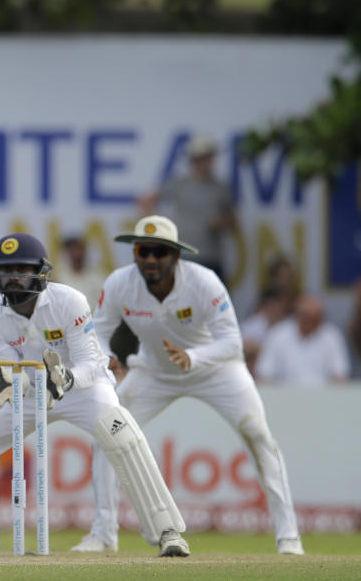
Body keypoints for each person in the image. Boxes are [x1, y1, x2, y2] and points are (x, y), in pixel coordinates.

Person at [0, 233, 189, 557]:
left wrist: (66, 378)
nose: (12, 278)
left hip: (83, 388)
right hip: (27, 393)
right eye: (5, 271)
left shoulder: (69, 301)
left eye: (21, 270)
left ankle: (167, 531)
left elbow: (90, 362)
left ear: (41, 272)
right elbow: (12, 372)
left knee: (123, 434)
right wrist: (2, 385)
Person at [84, 215, 303, 555]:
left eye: (160, 252)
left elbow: (232, 342)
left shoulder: (204, 282)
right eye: (144, 250)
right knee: (108, 434)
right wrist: (108, 357)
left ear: (175, 256)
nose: (151, 259)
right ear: (135, 253)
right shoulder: (118, 284)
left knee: (258, 435)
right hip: (154, 371)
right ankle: (104, 533)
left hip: (216, 369)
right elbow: (96, 331)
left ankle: (289, 537)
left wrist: (194, 357)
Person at [139, 135, 236, 279]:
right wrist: (158, 229)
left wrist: (221, 223)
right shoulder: (180, 184)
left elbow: (234, 221)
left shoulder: (220, 188)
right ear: (195, 160)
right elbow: (147, 200)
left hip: (211, 258)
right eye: (203, 158)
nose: (208, 162)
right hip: (183, 258)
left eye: (209, 158)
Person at [254, 294, 350, 386]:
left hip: (324, 399)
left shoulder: (332, 336)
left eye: (317, 319)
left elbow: (340, 376)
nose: (313, 323)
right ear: (298, 316)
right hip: (285, 398)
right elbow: (264, 375)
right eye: (309, 318)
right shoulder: (277, 335)